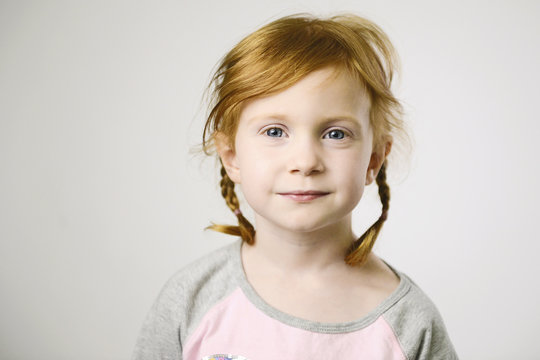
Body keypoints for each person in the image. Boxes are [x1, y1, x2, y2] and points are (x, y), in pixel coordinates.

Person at [132, 13, 458, 360]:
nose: (305, 161)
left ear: (374, 159)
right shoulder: (191, 299)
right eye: (275, 132)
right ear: (231, 157)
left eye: (336, 134)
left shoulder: (408, 324)